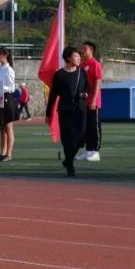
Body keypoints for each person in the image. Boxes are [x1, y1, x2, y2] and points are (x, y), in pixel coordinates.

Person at [46, 46, 89, 177]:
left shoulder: (82, 73)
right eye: (76, 56)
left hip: (80, 109)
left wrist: (85, 93)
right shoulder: (59, 75)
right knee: (67, 139)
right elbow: (53, 95)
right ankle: (70, 165)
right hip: (65, 110)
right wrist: (49, 113)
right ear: (68, 58)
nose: (78, 58)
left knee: (81, 137)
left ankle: (68, 160)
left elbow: (88, 87)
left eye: (79, 56)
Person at [0, 47, 19, 162]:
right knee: (1, 128)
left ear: (4, 55)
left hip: (7, 99)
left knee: (8, 127)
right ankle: (2, 152)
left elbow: (12, 87)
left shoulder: (9, 70)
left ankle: (9, 153)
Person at [78, 41, 103, 162]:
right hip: (84, 102)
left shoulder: (95, 64)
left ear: (91, 50)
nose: (82, 51)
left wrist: (93, 100)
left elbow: (98, 82)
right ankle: (88, 151)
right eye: (82, 49)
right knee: (86, 127)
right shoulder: (82, 65)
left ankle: (96, 152)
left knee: (95, 126)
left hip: (94, 101)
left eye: (85, 49)